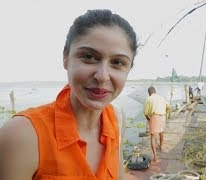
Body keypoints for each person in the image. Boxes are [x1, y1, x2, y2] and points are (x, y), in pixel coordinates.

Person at [0, 9, 138, 180]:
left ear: (129, 68)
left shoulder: (117, 118)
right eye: (89, 57)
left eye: (117, 62)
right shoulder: (24, 134)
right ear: (66, 57)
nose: (102, 76)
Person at [144, 86, 171, 163]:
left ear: (149, 92)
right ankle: (161, 146)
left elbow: (146, 112)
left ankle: (155, 157)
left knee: (152, 136)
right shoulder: (161, 97)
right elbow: (168, 107)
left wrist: (148, 118)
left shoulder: (149, 99)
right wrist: (165, 113)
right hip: (163, 116)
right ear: (155, 91)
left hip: (154, 117)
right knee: (161, 132)